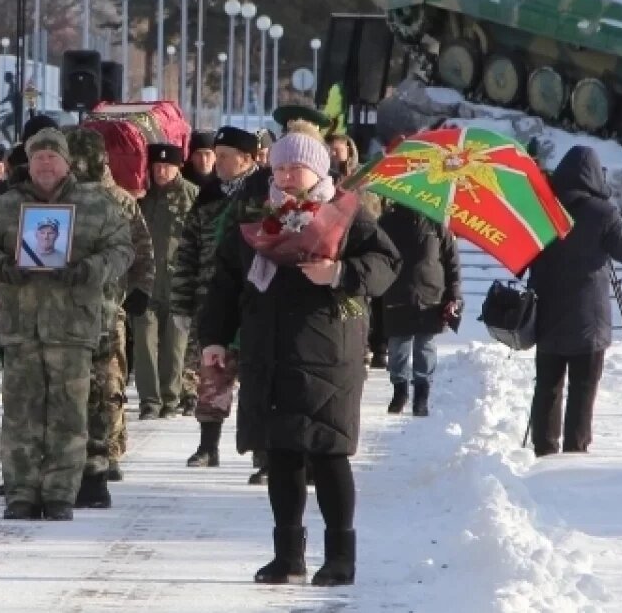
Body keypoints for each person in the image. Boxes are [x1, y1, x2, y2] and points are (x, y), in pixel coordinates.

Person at [198, 123, 400, 586]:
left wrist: (338, 273)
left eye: (298, 167)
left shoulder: (346, 213)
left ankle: (340, 556)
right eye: (282, 165)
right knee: (282, 455)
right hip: (268, 353)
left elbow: (387, 264)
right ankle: (287, 555)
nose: (288, 175)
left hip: (328, 354)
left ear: (319, 171)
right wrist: (214, 337)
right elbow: (225, 283)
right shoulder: (256, 215)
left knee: (328, 454)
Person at [0, 127, 134, 521]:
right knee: (21, 413)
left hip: (72, 326)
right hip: (21, 326)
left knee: (68, 413)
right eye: (38, 157)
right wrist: (1, 267)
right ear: (30, 162)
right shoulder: (6, 206)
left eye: (52, 157)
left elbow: (123, 248)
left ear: (66, 163)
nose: (45, 164)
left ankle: (61, 492)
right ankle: (21, 492)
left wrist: (91, 269)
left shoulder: (96, 203)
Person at [527, 145, 622, 457]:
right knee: (583, 389)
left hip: (547, 314)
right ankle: (575, 449)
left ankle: (544, 447)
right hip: (588, 321)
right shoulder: (603, 212)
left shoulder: (542, 209)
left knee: (547, 387)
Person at [65, 127, 156, 504]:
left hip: (108, 304)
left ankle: (109, 451)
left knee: (108, 382)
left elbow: (142, 248)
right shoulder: (57, 198)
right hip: (66, 307)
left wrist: (141, 290)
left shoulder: (120, 200)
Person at [169, 127, 263, 471]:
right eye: (216, 154)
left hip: (255, 302)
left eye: (225, 156)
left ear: (248, 159)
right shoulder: (207, 197)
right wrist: (181, 303)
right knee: (211, 376)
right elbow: (187, 254)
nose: (217, 162)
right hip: (211, 302)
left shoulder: (265, 195)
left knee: (257, 381)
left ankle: (264, 455)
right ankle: (208, 445)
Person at [378, 201, 462, 416]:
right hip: (396, 292)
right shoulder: (388, 221)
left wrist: (454, 295)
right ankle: (400, 391)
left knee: (425, 347)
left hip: (431, 294)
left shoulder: (437, 223)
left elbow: (452, 262)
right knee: (398, 346)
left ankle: (421, 395)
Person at [133, 143, 198, 419]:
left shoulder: (192, 195)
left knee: (175, 344)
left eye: (166, 167)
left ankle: (171, 399)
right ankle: (150, 400)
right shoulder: (141, 195)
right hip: (144, 280)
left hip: (178, 280)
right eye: (156, 167)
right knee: (144, 342)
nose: (161, 172)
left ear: (178, 167)